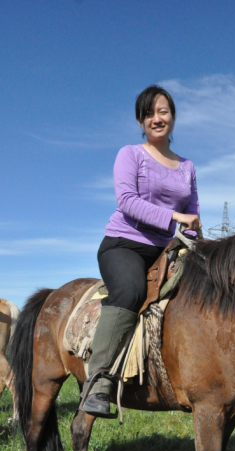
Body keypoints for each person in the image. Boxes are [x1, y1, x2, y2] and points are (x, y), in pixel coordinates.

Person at [81, 85, 201, 418]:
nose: (156, 118)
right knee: (131, 291)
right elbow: (128, 203)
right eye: (149, 113)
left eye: (163, 111)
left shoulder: (187, 166)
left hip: (168, 250)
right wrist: (175, 217)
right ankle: (98, 383)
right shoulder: (130, 154)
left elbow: (193, 212)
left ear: (173, 117)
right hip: (124, 244)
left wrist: (198, 236)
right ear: (140, 121)